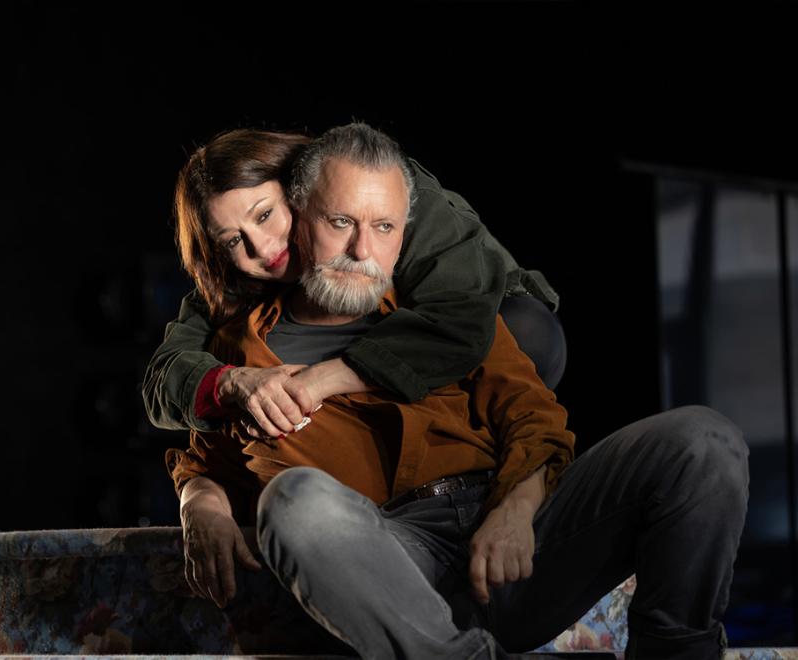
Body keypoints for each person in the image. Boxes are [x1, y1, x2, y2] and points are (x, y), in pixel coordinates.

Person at [166, 124, 750, 659]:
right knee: (293, 501)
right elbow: (205, 459)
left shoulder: (439, 305)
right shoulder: (241, 351)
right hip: (396, 558)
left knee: (701, 440)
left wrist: (515, 510)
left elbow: (533, 416)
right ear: (308, 215)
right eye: (341, 223)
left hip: (512, 535)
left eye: (382, 227)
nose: (361, 250)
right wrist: (201, 505)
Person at [142, 126, 566, 443]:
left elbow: (459, 317)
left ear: (297, 188)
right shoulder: (239, 270)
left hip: (489, 329)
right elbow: (163, 377)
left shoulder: (382, 188)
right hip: (357, 420)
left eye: (265, 215)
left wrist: (318, 381)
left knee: (525, 334)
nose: (263, 247)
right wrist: (235, 383)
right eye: (234, 240)